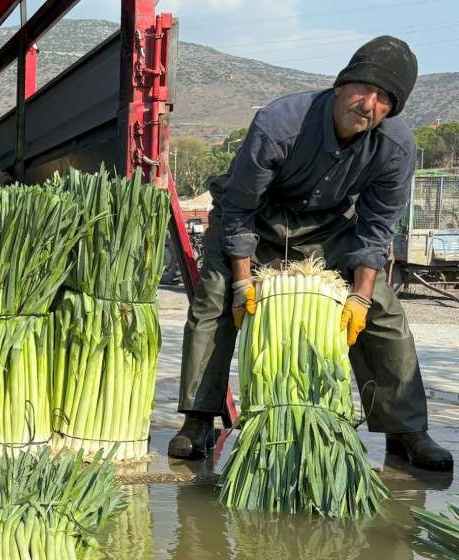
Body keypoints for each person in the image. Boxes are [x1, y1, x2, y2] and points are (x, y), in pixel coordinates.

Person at [171, 35, 452, 471]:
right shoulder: (281, 122)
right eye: (364, 89)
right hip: (253, 218)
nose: (369, 103)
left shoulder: (396, 148)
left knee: (384, 313)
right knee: (214, 299)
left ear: (392, 110)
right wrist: (244, 281)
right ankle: (197, 420)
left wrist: (359, 297)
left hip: (324, 226)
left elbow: (375, 231)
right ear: (341, 85)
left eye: (384, 100)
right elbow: (241, 208)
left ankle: (406, 429)